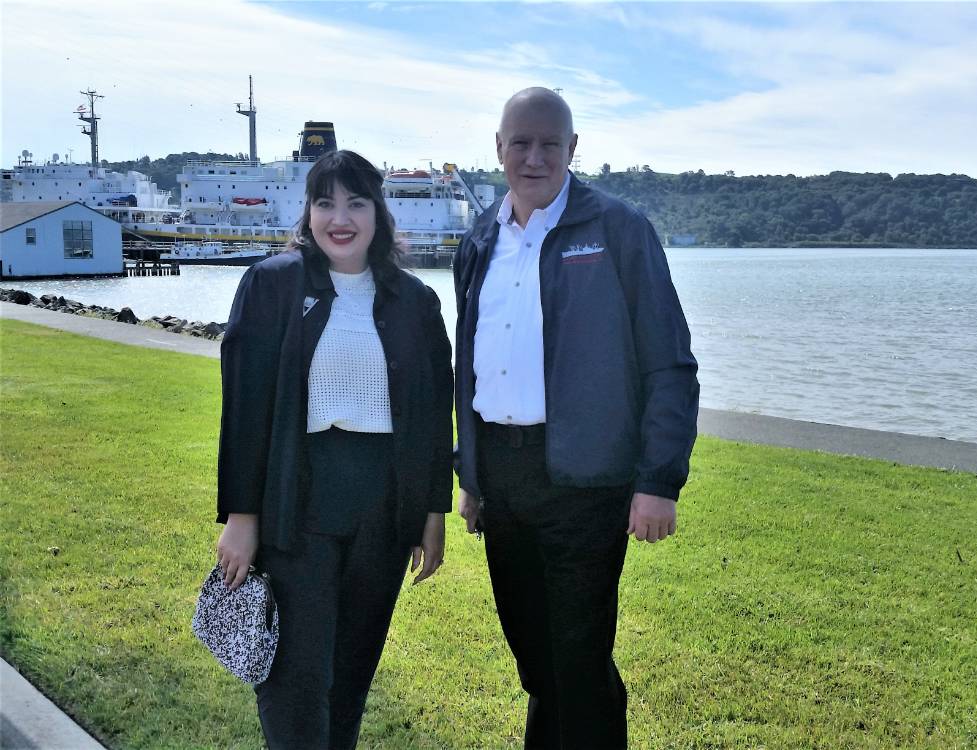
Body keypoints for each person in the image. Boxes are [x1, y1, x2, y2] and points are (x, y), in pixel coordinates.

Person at [453, 88, 699, 749]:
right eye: (520, 142)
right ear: (498, 148)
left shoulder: (618, 231)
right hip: (503, 482)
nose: (534, 156)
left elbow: (669, 363)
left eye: (549, 144)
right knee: (538, 664)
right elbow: (473, 362)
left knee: (580, 660)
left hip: (587, 484)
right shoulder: (479, 240)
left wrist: (658, 482)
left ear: (573, 149)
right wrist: (471, 477)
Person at [215, 149, 454, 749]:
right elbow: (245, 408)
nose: (339, 218)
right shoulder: (272, 285)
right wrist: (242, 518)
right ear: (308, 211)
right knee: (295, 677)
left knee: (351, 673)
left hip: (385, 507)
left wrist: (433, 513)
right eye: (325, 203)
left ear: (379, 212)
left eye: (355, 202)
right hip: (299, 499)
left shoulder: (415, 301)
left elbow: (431, 416)